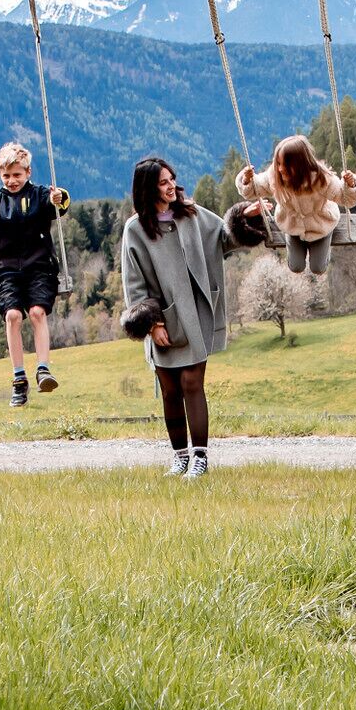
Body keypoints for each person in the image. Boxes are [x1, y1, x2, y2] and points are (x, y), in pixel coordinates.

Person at [117, 155, 266, 478]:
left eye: (172, 179)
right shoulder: (136, 230)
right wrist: (152, 323)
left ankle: (200, 457)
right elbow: (134, 281)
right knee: (170, 389)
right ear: (147, 188)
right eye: (162, 182)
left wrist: (246, 217)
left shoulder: (192, 214)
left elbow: (224, 237)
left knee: (191, 382)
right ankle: (179, 456)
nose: (171, 187)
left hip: (196, 314)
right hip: (164, 320)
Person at [0, 142, 70, 406]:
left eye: (17, 175)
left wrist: (61, 197)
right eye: (6, 176)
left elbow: (58, 203)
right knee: (12, 316)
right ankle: (19, 378)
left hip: (39, 266)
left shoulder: (41, 196)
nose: (11, 181)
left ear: (28, 172)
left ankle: (43, 369)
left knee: (36, 312)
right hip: (5, 269)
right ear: (1, 176)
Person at [236, 133, 356, 279]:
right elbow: (255, 189)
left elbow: (345, 198)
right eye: (277, 163)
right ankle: (297, 242)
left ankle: (328, 235)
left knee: (318, 268)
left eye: (285, 164)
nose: (280, 169)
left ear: (299, 165)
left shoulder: (320, 178)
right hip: (291, 225)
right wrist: (246, 180)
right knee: (296, 266)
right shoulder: (274, 177)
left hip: (321, 224)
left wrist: (351, 185)